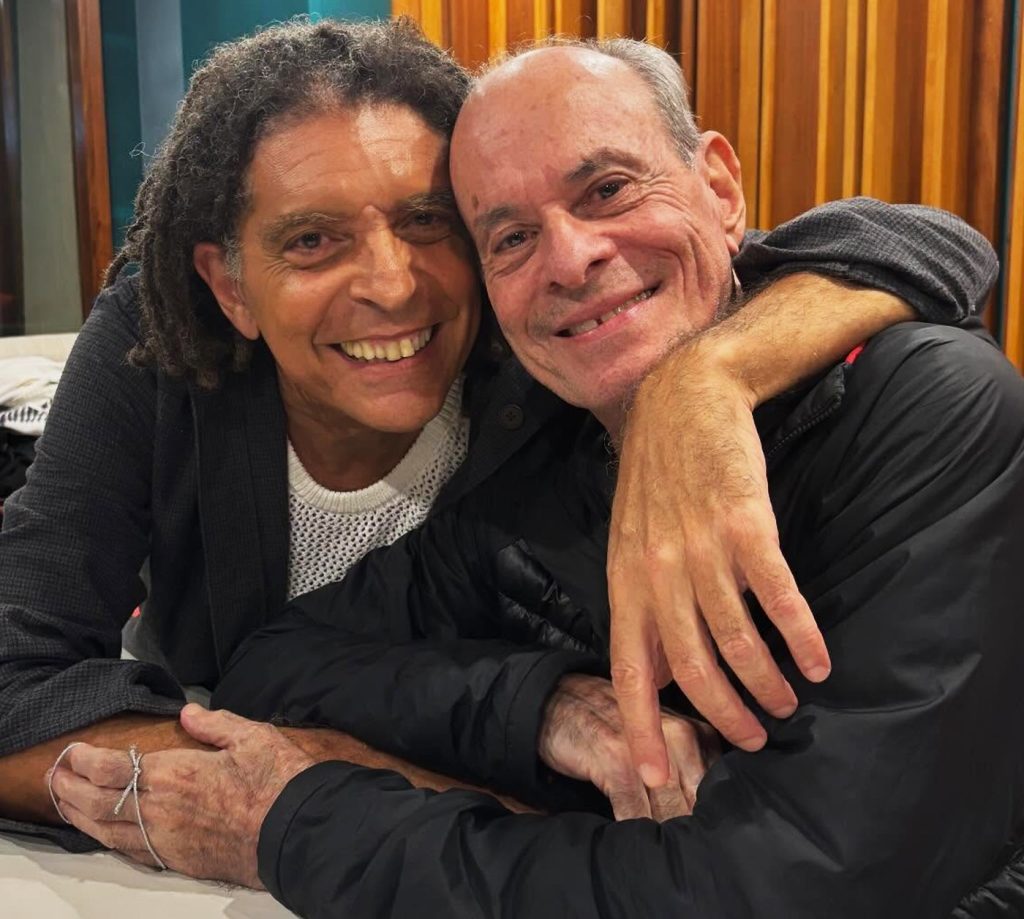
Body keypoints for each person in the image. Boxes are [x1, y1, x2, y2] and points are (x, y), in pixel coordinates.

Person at [49, 35, 1024, 916]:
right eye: (510, 236)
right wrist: (537, 705)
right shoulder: (551, 445)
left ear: (721, 188)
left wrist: (292, 822)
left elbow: (784, 886)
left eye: (608, 189)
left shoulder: (919, 412)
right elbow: (277, 660)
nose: (570, 258)